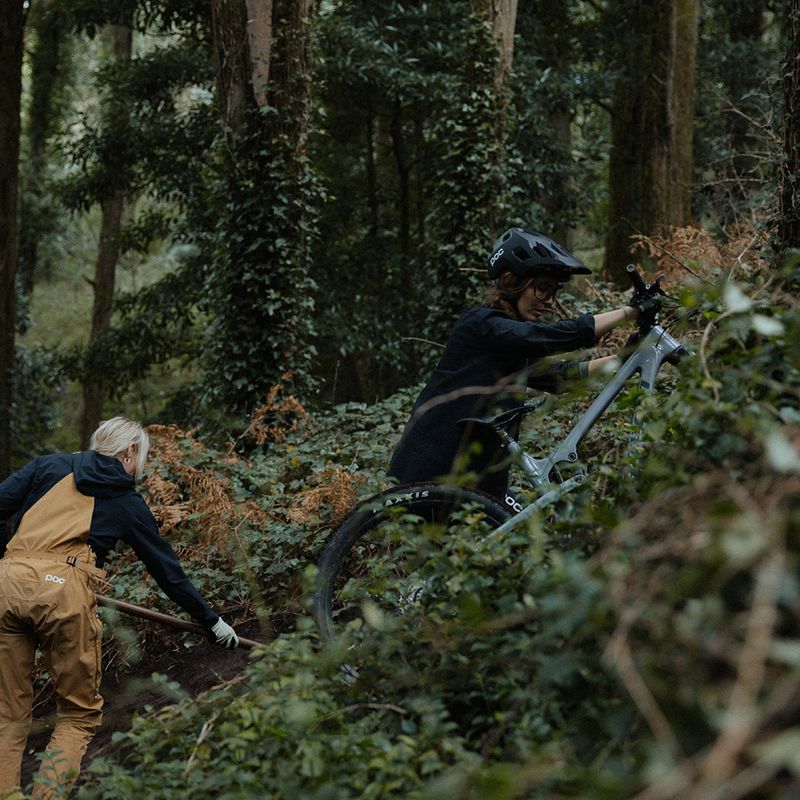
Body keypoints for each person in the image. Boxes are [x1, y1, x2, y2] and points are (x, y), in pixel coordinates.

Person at [0, 417, 240, 800]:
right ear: (128, 451)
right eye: (138, 457)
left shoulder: (47, 465)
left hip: (5, 585)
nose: (137, 467)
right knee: (77, 714)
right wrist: (212, 621)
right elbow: (167, 573)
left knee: (7, 712)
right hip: (64, 594)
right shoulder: (127, 501)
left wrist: (12, 567)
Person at [388, 227, 653, 500]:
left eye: (554, 292)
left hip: (476, 478)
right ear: (512, 281)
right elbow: (547, 337)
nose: (549, 302)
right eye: (542, 289)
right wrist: (629, 312)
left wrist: (625, 358)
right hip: (432, 469)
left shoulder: (510, 341)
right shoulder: (482, 324)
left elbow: (561, 377)